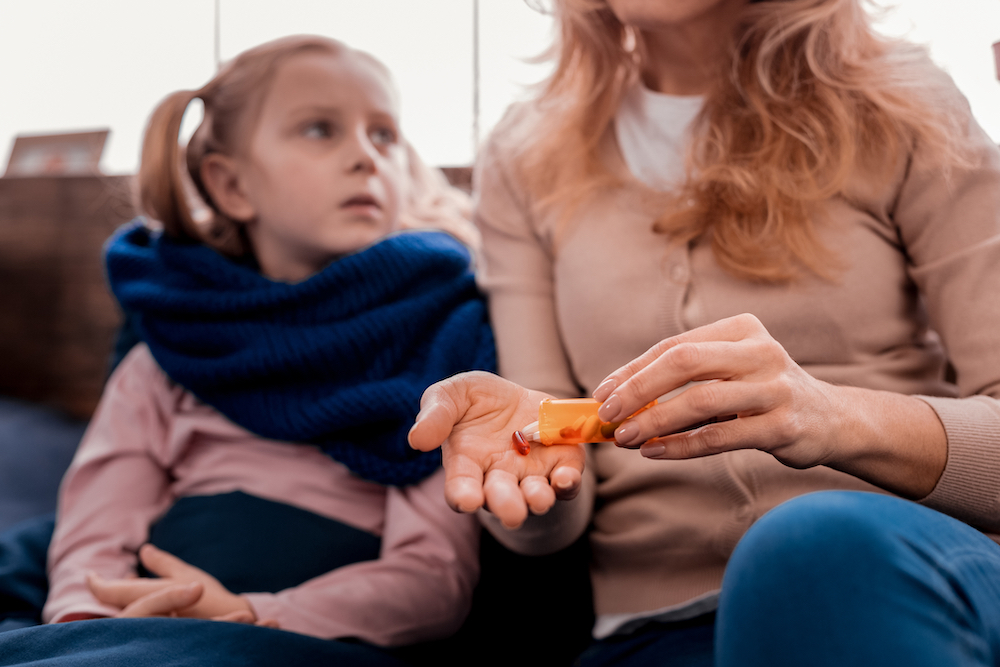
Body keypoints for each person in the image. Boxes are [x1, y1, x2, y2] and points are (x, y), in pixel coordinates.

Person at [407, 0, 1000, 665]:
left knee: (812, 546)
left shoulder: (904, 106)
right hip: (657, 635)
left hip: (914, 583)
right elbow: (548, 483)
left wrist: (834, 416)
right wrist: (523, 476)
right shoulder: (523, 157)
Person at [31, 34, 493, 659]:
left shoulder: (439, 346)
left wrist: (256, 616)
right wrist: (89, 625)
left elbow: (434, 579)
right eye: (320, 130)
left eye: (383, 134)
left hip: (310, 631)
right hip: (151, 614)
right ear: (231, 186)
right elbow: (95, 531)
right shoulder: (168, 352)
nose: (366, 157)